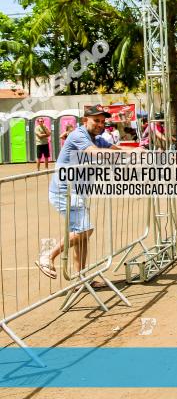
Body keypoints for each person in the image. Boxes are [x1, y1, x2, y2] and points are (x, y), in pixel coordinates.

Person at [35, 106, 127, 285]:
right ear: (85, 121)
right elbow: (95, 153)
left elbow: (116, 149)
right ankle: (48, 256)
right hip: (65, 192)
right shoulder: (79, 135)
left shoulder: (97, 139)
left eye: (103, 121)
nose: (100, 124)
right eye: (96, 120)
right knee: (85, 230)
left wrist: (139, 151)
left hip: (77, 192)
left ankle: (80, 279)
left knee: (81, 237)